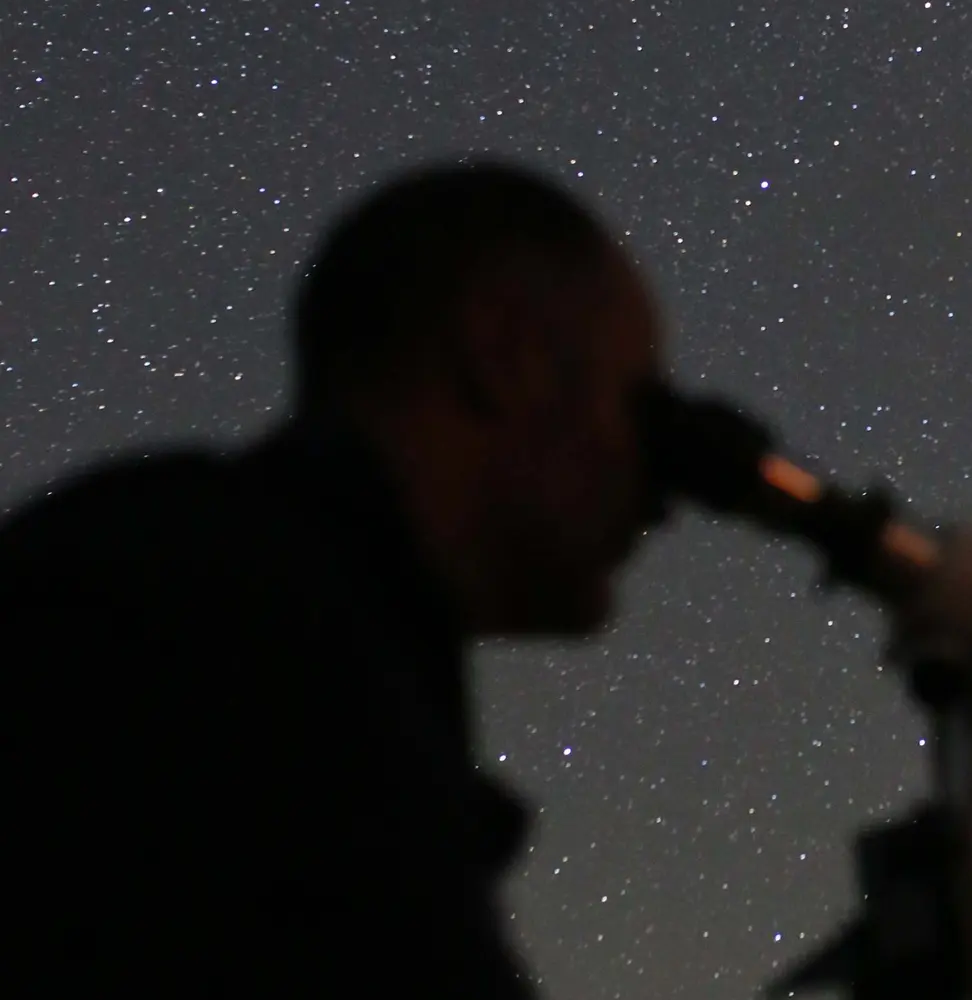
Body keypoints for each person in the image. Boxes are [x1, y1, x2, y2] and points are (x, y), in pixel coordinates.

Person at [0, 158, 672, 996]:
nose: (656, 486)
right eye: (636, 403)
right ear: (509, 354)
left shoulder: (205, 572)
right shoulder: (231, 634)